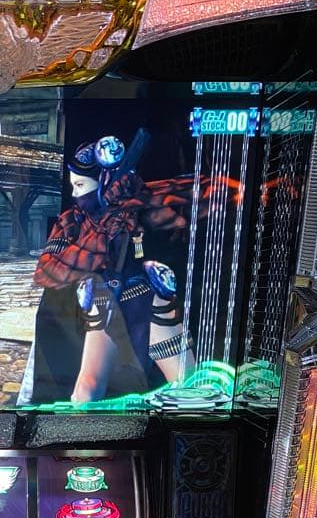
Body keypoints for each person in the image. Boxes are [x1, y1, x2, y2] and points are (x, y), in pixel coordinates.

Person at [26, 135, 197, 404]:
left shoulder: (134, 204)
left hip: (146, 297)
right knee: (86, 391)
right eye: (73, 186)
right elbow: (49, 272)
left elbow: (182, 208)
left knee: (190, 387)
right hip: (102, 304)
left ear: (104, 182)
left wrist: (135, 200)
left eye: (81, 185)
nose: (75, 194)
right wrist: (103, 227)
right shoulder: (71, 221)